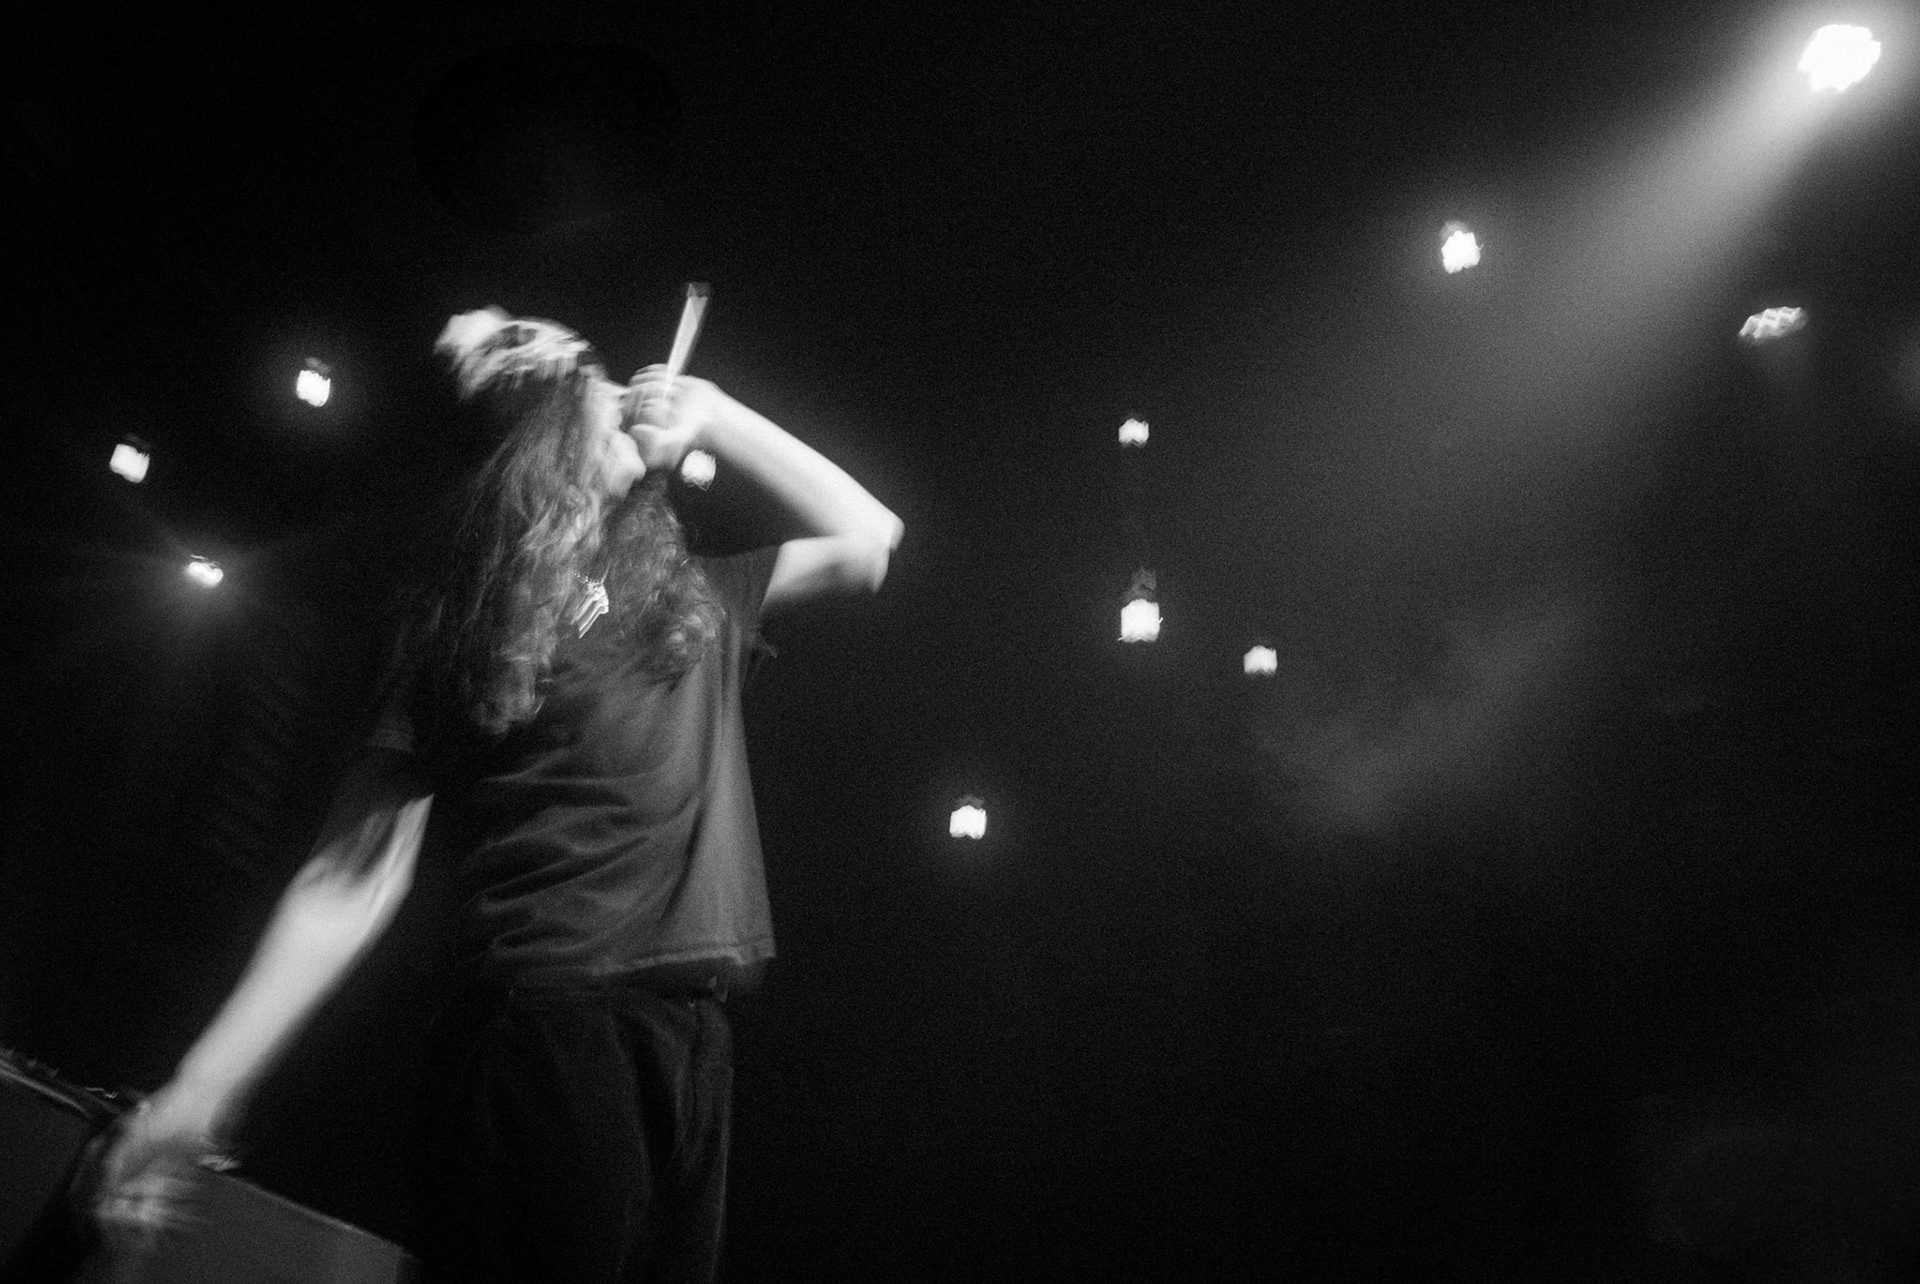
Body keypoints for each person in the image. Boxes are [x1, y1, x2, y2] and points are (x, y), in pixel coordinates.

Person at [92, 307, 905, 1282]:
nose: (603, 377)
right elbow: (351, 876)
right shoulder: (466, 617)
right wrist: (202, 1089)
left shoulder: (696, 594)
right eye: (522, 349)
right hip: (547, 1030)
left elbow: (870, 537)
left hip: (691, 1042)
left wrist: (718, 412)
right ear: (529, 432)